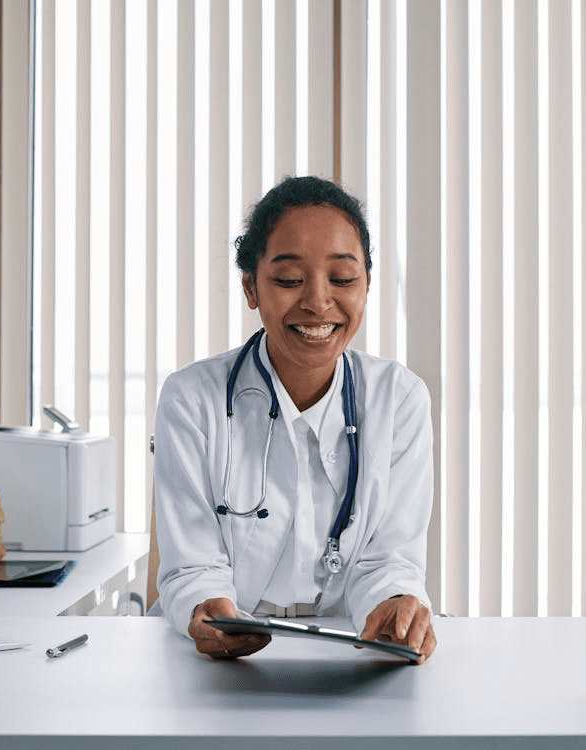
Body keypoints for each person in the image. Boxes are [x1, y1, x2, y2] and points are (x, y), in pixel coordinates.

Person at [152, 175, 437, 662]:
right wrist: (208, 609)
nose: (318, 301)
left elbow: (390, 558)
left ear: (366, 285)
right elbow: (192, 565)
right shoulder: (191, 398)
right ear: (251, 287)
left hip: (351, 654)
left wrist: (395, 604)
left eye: (343, 279)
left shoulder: (399, 398)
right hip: (220, 665)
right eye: (288, 280)